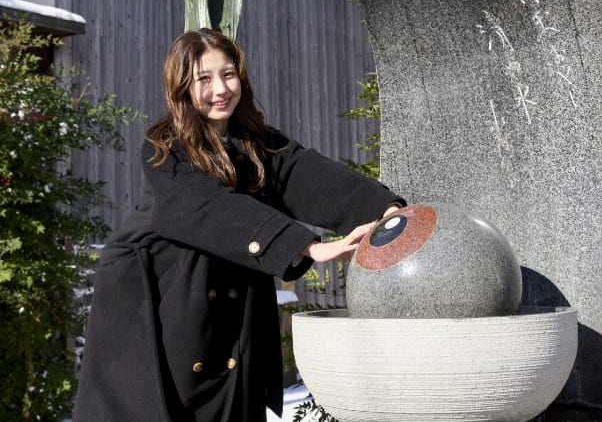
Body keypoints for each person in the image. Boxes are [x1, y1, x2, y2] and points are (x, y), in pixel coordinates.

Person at [73, 28, 404, 422]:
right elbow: (206, 206)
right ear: (181, 86)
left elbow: (307, 175)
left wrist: (385, 209)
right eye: (204, 78)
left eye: (228, 75)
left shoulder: (255, 143)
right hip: (164, 302)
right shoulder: (165, 147)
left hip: (233, 307)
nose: (220, 89)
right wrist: (306, 246)